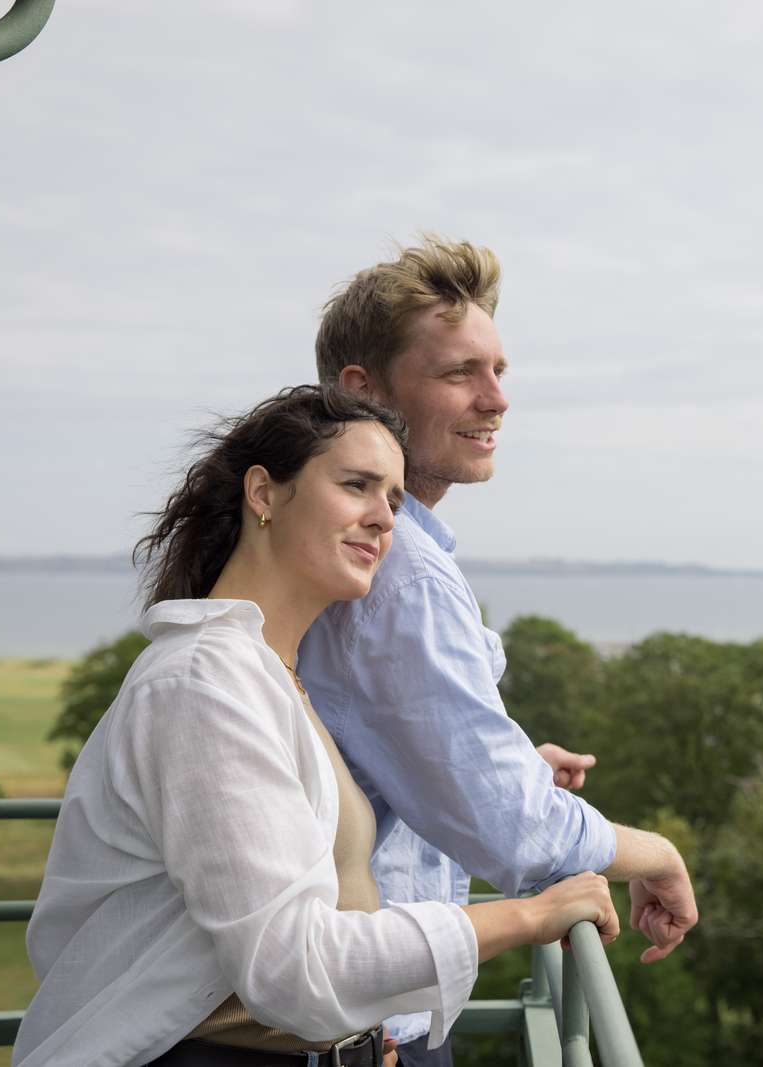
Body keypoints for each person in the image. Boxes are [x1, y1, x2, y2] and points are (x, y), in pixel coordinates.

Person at [14, 386, 618, 1067]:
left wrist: (362, 1042)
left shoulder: (273, 675)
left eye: (392, 499)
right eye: (357, 485)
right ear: (264, 494)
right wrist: (529, 916)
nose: (383, 519)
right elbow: (291, 966)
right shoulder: (203, 685)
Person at [299, 238, 699, 1066]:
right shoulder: (401, 566)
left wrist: (499, 761)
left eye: (500, 370)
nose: (496, 399)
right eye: (459, 374)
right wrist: (656, 851)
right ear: (363, 392)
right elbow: (516, 830)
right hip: (362, 1030)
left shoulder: (357, 545)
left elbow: (366, 745)